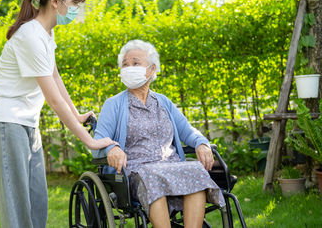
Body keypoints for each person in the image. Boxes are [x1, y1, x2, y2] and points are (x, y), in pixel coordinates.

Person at [0, 0, 116, 228]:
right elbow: (53, 100)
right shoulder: (31, 36)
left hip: (26, 124)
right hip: (5, 123)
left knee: (37, 204)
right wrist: (88, 140)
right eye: (75, 2)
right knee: (18, 212)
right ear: (56, 1)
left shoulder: (46, 33)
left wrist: (76, 114)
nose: (78, 8)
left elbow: (55, 78)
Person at [92, 40, 225, 228]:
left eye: (136, 63)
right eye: (125, 64)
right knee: (151, 175)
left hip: (170, 166)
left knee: (195, 170)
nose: (129, 68)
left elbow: (188, 131)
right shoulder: (113, 104)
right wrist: (111, 147)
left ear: (151, 70)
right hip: (137, 171)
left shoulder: (164, 102)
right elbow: (98, 141)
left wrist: (201, 143)